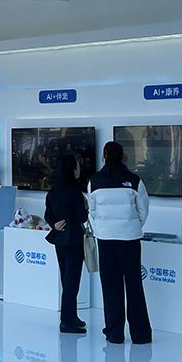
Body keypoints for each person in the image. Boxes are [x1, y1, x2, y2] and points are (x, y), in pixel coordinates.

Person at [89, 141, 152, 345]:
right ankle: (141, 335)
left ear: (104, 157)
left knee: (110, 287)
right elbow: (143, 210)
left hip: (105, 239)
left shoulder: (95, 181)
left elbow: (92, 211)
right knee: (134, 286)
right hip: (130, 239)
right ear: (123, 156)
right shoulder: (134, 180)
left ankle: (114, 333)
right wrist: (132, 226)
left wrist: (102, 228)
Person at [44, 153, 89, 333]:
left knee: (66, 279)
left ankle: (71, 316)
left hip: (60, 240)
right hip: (74, 241)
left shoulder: (53, 190)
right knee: (72, 282)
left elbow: (47, 213)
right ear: (72, 169)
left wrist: (54, 224)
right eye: (77, 165)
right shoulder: (74, 191)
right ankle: (67, 321)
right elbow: (82, 217)